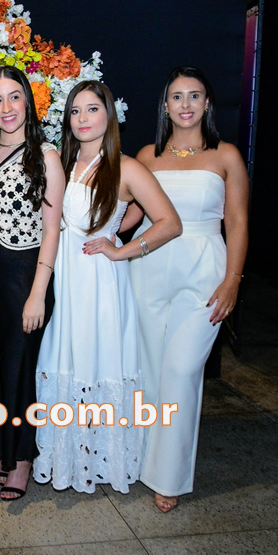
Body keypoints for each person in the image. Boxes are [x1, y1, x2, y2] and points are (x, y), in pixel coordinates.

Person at [34, 80, 181, 494]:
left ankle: (101, 460)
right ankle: (65, 459)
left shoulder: (126, 167)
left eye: (92, 109)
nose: (83, 118)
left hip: (99, 283)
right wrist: (118, 224)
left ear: (109, 115)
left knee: (97, 363)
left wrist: (121, 249)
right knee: (63, 360)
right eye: (75, 111)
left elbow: (170, 222)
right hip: (62, 276)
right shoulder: (61, 162)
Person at [129, 66, 249, 512]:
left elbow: (238, 222)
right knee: (148, 371)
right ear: (165, 105)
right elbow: (127, 214)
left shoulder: (226, 156)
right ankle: (138, 459)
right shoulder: (146, 155)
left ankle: (170, 476)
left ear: (207, 103)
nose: (185, 104)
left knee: (181, 371)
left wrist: (233, 280)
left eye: (194, 96)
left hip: (204, 272)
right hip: (147, 270)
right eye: (177, 96)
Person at [0, 66, 65, 501]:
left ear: (27, 101)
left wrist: (37, 294)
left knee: (18, 369)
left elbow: (52, 229)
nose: (6, 107)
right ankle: (4, 450)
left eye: (13, 97)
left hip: (26, 275)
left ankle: (23, 458)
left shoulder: (44, 155)